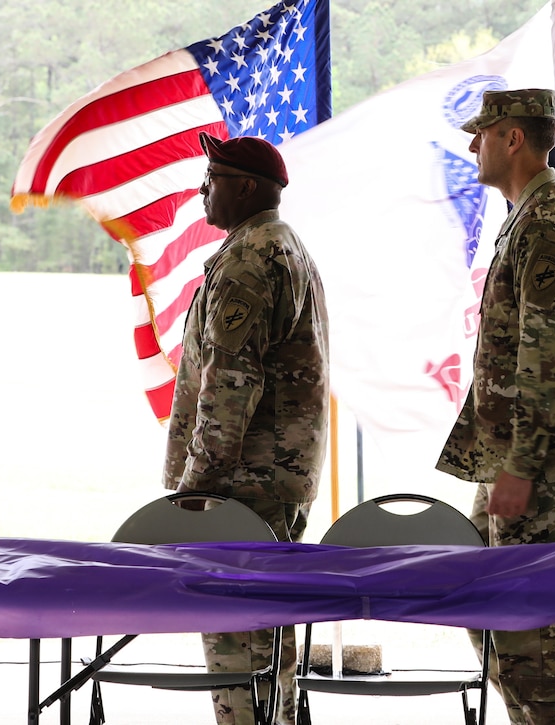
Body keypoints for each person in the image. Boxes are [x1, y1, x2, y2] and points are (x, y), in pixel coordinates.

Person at [436, 88, 555, 725]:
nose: (471, 143)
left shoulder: (547, 223)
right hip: (509, 455)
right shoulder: (529, 216)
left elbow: (551, 356)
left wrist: (524, 464)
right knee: (489, 613)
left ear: (514, 138)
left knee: (534, 634)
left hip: (534, 461)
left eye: (482, 132)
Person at [162, 132, 330, 725]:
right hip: (272, 479)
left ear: (247, 188)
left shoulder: (249, 262)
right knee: (268, 649)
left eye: (214, 178)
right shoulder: (278, 247)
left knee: (241, 653)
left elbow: (229, 390)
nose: (203, 189)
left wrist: (195, 492)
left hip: (242, 488)